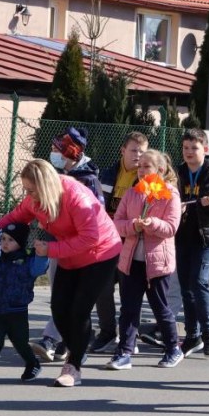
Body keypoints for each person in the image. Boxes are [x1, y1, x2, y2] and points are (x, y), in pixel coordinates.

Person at [0, 160, 121, 387]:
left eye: (31, 190)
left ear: (45, 185)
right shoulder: (35, 200)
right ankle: (77, 351)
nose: (28, 195)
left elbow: (91, 237)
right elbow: (15, 217)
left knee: (79, 310)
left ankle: (73, 366)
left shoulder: (77, 198)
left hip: (100, 253)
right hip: (70, 254)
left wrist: (51, 249)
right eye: (26, 190)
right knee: (59, 308)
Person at [31, 127, 104, 362]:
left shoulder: (88, 180)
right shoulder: (55, 175)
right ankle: (65, 341)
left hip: (79, 249)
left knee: (71, 298)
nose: (52, 153)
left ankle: (52, 340)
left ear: (70, 151)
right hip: (57, 245)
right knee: (61, 296)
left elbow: (92, 216)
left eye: (56, 149)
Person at [107, 149, 182, 370]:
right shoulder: (132, 193)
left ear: (159, 170)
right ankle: (124, 352)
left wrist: (152, 224)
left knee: (160, 308)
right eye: (139, 166)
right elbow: (117, 222)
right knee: (129, 308)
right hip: (130, 261)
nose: (141, 171)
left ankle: (173, 348)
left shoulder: (170, 194)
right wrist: (133, 226)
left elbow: (171, 227)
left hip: (157, 263)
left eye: (146, 167)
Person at [90, 132, 150, 353]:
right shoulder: (107, 174)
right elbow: (97, 205)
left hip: (133, 242)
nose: (138, 155)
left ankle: (128, 337)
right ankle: (107, 333)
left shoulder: (148, 179)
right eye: (134, 150)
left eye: (142, 151)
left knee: (129, 292)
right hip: (107, 241)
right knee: (102, 288)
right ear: (123, 151)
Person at [175, 129, 209, 357]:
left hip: (206, 238)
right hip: (182, 236)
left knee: (199, 283)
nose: (189, 152)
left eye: (194, 148)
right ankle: (191, 336)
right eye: (186, 148)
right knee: (186, 288)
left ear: (204, 150)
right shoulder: (177, 172)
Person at [0, 222, 49, 382]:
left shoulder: (28, 260)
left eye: (11, 240)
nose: (5, 243)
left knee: (20, 343)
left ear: (20, 242)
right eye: (3, 239)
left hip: (18, 312)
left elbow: (39, 269)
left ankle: (33, 364)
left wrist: (41, 254)